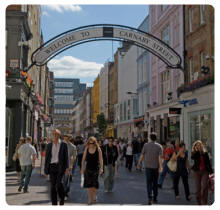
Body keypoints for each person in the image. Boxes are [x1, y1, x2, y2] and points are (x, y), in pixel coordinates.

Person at [44, 129, 69, 205]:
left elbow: (66, 157)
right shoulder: (49, 145)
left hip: (60, 167)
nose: (55, 135)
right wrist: (45, 170)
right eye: (54, 134)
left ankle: (62, 198)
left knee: (59, 184)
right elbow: (47, 158)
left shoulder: (64, 144)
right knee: (52, 186)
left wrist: (67, 168)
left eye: (56, 134)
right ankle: (54, 203)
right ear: (52, 135)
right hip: (52, 167)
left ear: (59, 135)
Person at [137, 133, 163, 205]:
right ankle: (155, 197)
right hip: (155, 167)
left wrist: (138, 163)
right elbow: (159, 158)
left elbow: (142, 155)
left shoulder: (145, 145)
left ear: (150, 138)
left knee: (149, 183)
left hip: (148, 167)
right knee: (155, 183)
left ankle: (150, 198)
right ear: (156, 138)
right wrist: (161, 166)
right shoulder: (159, 146)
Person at [81, 136, 103, 205]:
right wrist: (82, 168)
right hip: (88, 169)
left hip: (96, 168)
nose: (91, 144)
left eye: (92, 143)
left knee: (95, 185)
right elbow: (83, 159)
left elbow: (101, 159)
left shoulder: (98, 149)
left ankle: (95, 195)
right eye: (90, 143)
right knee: (89, 185)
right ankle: (90, 199)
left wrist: (101, 168)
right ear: (88, 143)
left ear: (95, 143)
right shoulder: (86, 148)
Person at [191, 140, 213, 205]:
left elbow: (208, 163)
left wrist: (211, 172)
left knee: (204, 186)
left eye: (200, 145)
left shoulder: (205, 153)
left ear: (202, 145)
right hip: (197, 172)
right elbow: (192, 157)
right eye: (197, 145)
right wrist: (197, 150)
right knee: (198, 188)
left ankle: (204, 202)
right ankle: (199, 203)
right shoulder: (195, 153)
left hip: (205, 171)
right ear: (195, 147)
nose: (199, 146)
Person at [63, 134, 77, 200]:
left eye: (66, 139)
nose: (64, 140)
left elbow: (74, 157)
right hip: (60, 165)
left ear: (69, 139)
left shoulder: (72, 147)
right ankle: (65, 191)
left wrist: (71, 165)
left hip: (68, 166)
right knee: (61, 180)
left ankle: (64, 194)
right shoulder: (61, 145)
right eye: (64, 139)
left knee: (66, 180)